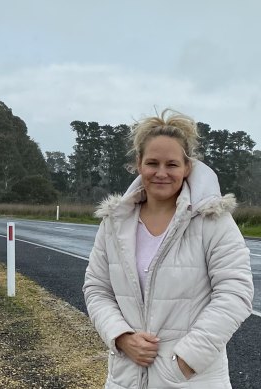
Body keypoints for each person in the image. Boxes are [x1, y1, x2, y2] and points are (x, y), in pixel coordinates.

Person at [82, 109, 254, 388]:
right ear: (138, 164)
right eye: (152, 163)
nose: (161, 173)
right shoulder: (113, 223)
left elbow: (235, 292)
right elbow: (96, 289)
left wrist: (186, 359)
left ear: (187, 167)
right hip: (126, 377)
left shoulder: (213, 221)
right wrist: (123, 338)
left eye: (172, 164)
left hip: (192, 379)